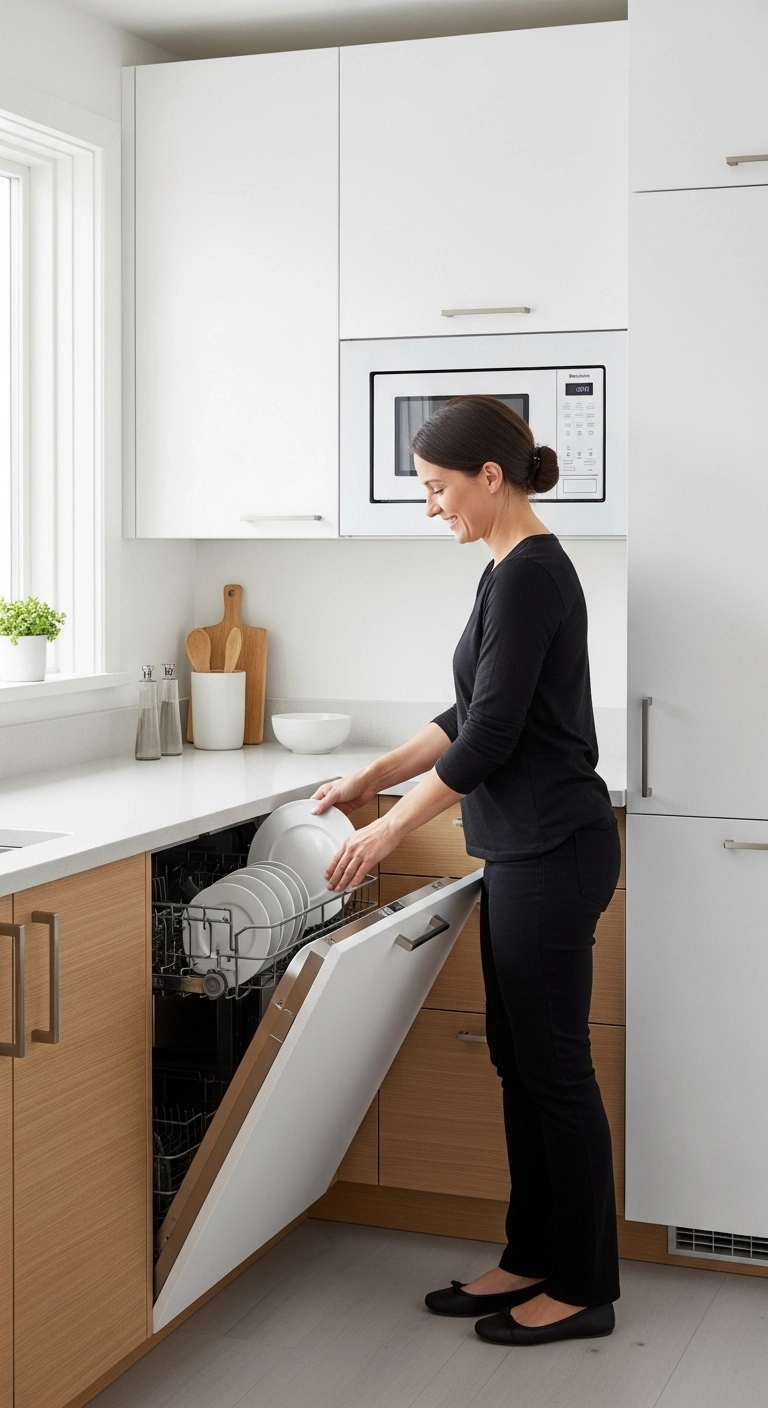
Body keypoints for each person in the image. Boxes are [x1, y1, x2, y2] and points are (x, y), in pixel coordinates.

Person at [310, 394, 621, 1347]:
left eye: (439, 488)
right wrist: (369, 774)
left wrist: (391, 829)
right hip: (523, 848)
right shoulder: (504, 573)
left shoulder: (531, 575)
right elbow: (461, 713)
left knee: (553, 1067)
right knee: (519, 1060)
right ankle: (533, 1252)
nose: (432, 506)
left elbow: (491, 737)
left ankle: (584, 1286)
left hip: (552, 850)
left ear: (491, 476)